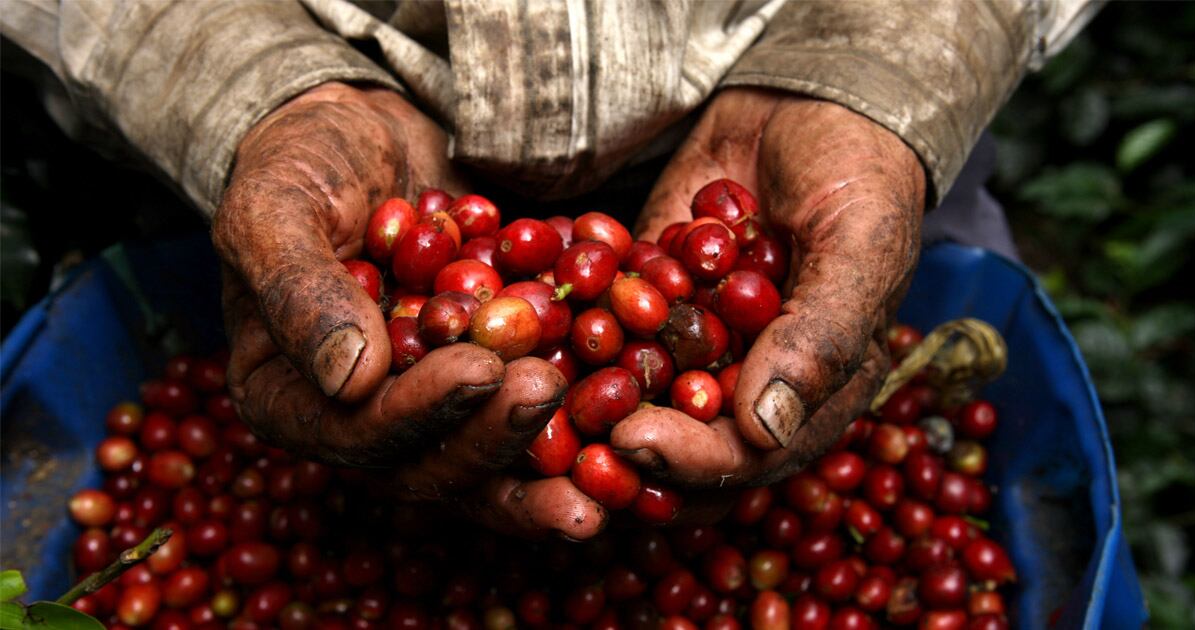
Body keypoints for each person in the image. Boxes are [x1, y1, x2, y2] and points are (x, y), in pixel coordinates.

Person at [2, 0, 1099, 539]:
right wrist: (226, 77)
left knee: (854, 337)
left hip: (821, 142)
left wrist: (884, 58)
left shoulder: (642, 283)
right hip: (254, 149)